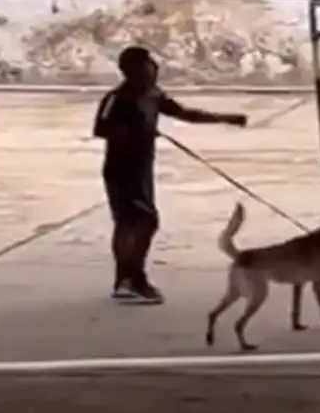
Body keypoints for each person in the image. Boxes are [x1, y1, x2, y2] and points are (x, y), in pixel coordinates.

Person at [93, 46, 248, 303]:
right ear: (130, 71)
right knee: (142, 221)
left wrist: (226, 118)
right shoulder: (118, 97)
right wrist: (136, 134)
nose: (152, 70)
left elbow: (185, 113)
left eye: (152, 65)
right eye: (146, 66)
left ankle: (125, 280)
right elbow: (102, 129)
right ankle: (134, 278)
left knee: (131, 222)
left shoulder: (153, 94)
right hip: (121, 169)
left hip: (142, 169)